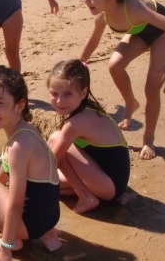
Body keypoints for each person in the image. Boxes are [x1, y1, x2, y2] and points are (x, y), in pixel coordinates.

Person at [79, 0, 165, 160]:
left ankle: (148, 140)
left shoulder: (135, 8)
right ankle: (131, 103)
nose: (87, 0)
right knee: (114, 66)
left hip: (162, 32)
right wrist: (80, 63)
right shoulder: (103, 17)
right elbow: (93, 41)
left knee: (151, 89)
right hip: (139, 31)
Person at [0, 65, 62, 260]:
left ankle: (15, 239)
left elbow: (16, 204)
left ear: (20, 105)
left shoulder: (18, 146)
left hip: (31, 223)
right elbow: (5, 167)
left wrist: (6, 247)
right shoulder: (26, 130)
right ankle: (45, 235)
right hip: (48, 218)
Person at [47, 59, 131, 214]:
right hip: (114, 184)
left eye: (67, 94)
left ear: (83, 93)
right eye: (54, 94)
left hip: (108, 185)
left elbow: (52, 161)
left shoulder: (76, 122)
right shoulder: (89, 108)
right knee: (54, 188)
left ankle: (86, 196)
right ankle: (92, 193)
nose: (59, 101)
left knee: (55, 139)